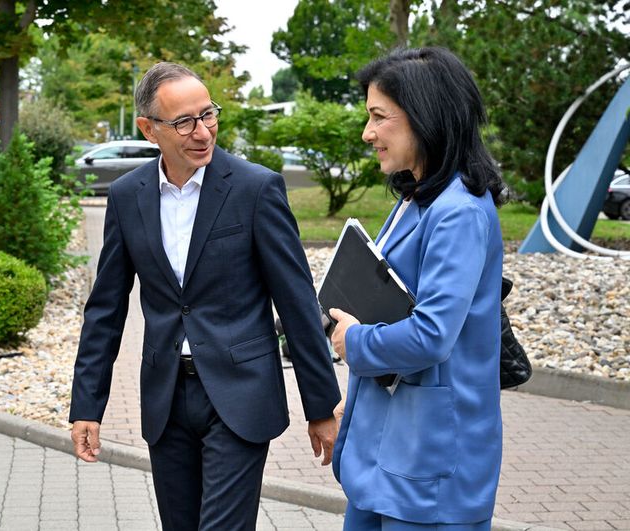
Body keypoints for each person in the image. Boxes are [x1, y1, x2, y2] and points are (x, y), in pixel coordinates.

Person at [69, 62, 341, 531]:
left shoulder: (257, 189)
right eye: (184, 122)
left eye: (208, 114)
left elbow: (296, 303)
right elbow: (106, 310)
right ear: (148, 129)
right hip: (166, 399)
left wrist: (321, 407)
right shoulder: (127, 196)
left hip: (240, 396)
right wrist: (87, 406)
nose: (202, 132)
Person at [329, 47, 506, 530]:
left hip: (428, 469)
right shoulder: (417, 196)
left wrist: (355, 342)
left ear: (425, 117)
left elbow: (431, 335)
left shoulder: (459, 212)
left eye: (378, 117)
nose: (367, 133)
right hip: (389, 450)